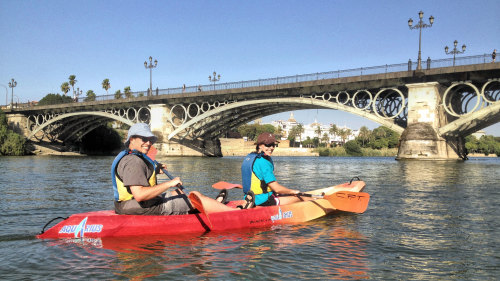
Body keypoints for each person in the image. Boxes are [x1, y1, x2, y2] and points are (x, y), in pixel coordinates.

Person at [111, 123, 234, 215]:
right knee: (194, 198)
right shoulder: (133, 161)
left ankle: (215, 204)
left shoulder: (132, 156)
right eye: (144, 139)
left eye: (150, 140)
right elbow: (140, 195)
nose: (148, 143)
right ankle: (232, 213)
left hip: (130, 205)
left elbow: (138, 175)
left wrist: (155, 169)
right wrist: (169, 183)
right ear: (132, 139)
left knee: (181, 193)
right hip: (139, 206)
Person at [241, 132, 311, 207]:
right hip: (264, 200)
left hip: (250, 198)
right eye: (268, 145)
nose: (272, 148)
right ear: (260, 145)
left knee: (286, 194)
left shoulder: (250, 157)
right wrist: (293, 191)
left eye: (273, 145)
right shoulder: (264, 162)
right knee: (302, 198)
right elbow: (276, 188)